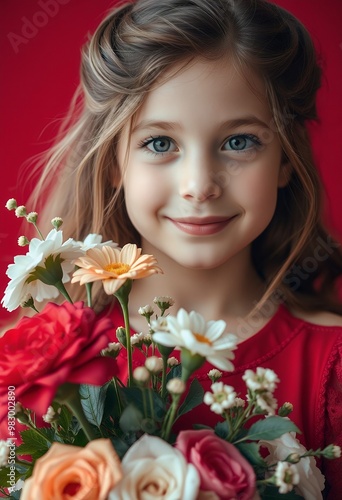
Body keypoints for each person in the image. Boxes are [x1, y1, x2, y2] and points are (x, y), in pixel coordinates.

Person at [29, 0, 341, 496]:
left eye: (239, 142)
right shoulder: (36, 368)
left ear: (285, 160)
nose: (199, 185)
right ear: (114, 162)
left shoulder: (332, 368)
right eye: (159, 143)